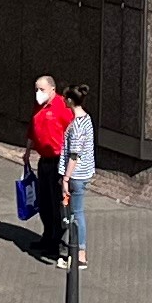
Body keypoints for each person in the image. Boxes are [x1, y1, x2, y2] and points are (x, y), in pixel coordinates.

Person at [28, 75, 72, 259]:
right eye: (36, 90)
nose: (38, 93)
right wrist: (27, 151)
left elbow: (72, 131)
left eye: (42, 89)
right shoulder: (39, 106)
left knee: (57, 203)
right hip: (44, 160)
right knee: (44, 201)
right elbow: (32, 130)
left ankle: (59, 241)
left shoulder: (61, 106)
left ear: (52, 89)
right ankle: (47, 236)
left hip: (58, 160)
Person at [61, 86, 98, 273]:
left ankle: (80, 254)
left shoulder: (76, 125)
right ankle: (75, 250)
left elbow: (74, 155)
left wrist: (66, 178)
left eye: (64, 98)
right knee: (75, 213)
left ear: (69, 100)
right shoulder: (87, 119)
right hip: (85, 173)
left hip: (76, 175)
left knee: (76, 214)